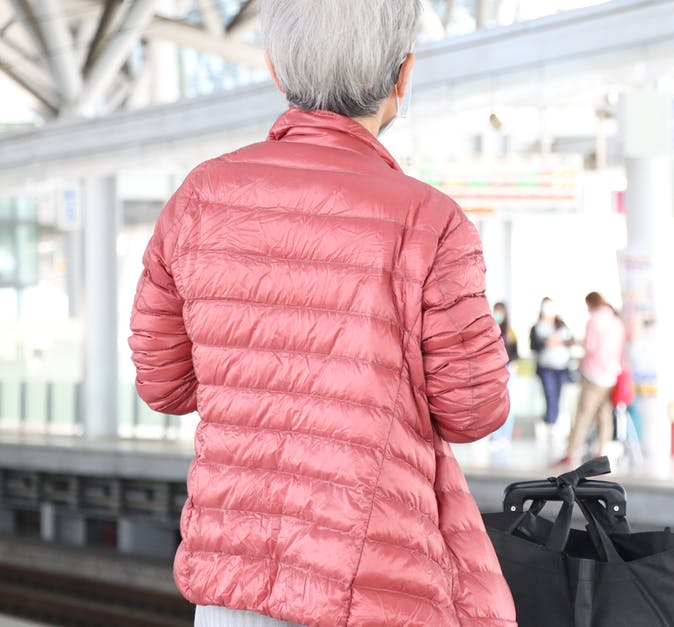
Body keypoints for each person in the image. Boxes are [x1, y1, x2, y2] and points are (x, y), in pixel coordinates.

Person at [128, 2, 515, 625]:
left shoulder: (198, 198)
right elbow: (474, 411)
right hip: (374, 587)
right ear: (403, 78)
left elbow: (165, 386)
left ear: (276, 71)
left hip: (232, 586)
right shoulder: (432, 221)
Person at [558, 292, 626, 465]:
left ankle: (571, 452)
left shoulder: (594, 320)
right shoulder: (617, 321)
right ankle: (602, 452)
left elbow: (590, 346)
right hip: (611, 374)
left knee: (583, 415)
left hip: (593, 374)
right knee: (604, 414)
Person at [530, 297, 574, 440]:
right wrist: (547, 343)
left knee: (558, 395)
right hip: (546, 367)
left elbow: (571, 339)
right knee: (549, 394)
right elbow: (534, 346)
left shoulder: (561, 325)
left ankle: (553, 422)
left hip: (561, 366)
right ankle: (550, 422)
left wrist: (560, 341)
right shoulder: (537, 327)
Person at [490, 302, 520, 446]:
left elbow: (515, 353)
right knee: (494, 403)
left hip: (508, 369)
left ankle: (505, 436)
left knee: (508, 403)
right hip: (493, 370)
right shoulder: (489, 330)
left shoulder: (510, 332)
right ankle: (495, 437)